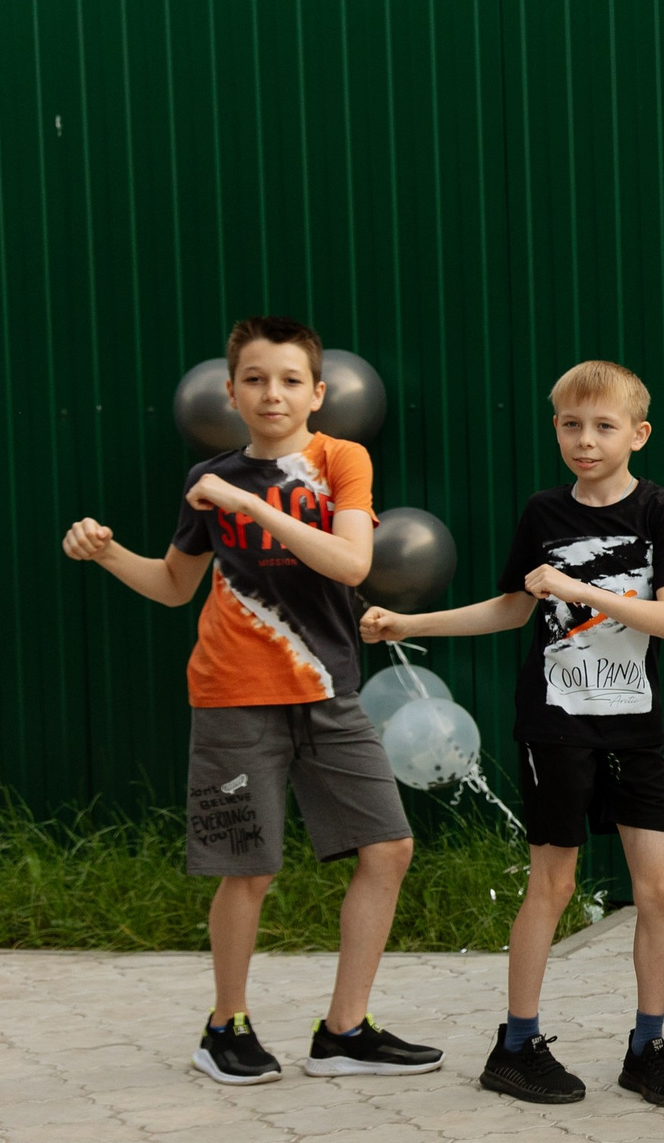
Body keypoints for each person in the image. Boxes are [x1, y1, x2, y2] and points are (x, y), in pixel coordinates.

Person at [59, 316, 441, 1085]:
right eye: (257, 380)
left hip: (329, 690)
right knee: (250, 870)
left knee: (389, 847)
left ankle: (344, 1029)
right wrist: (105, 555)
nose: (274, 393)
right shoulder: (211, 480)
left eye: (291, 380)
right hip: (233, 693)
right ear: (231, 391)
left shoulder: (341, 459)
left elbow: (350, 558)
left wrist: (250, 504)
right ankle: (224, 1027)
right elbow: (173, 587)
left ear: (318, 392)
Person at [361, 360, 664, 1108]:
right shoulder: (544, 512)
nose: (586, 440)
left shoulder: (662, 512)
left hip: (634, 726)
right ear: (556, 428)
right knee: (551, 881)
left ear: (638, 435)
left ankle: (647, 1046)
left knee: (662, 887)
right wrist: (410, 622)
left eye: (604, 426)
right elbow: (512, 607)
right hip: (554, 725)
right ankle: (516, 1044)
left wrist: (582, 589)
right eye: (571, 425)